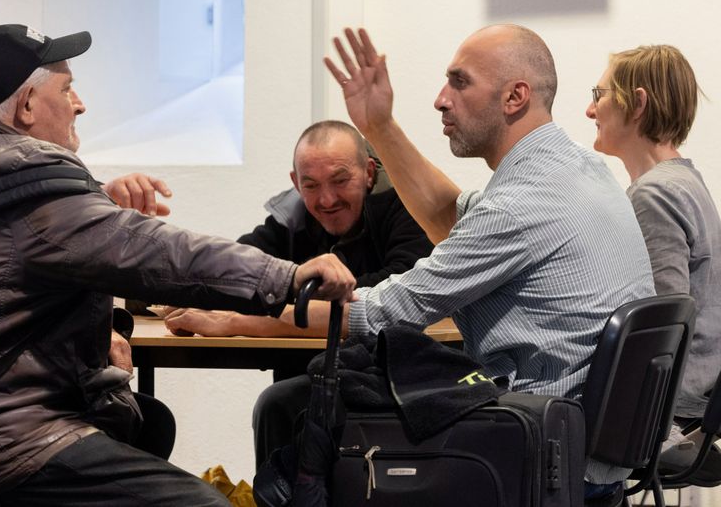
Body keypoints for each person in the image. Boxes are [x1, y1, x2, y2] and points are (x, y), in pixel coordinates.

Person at [0, 24, 355, 506]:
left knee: (150, 423)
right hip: (6, 437)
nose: (79, 103)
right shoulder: (27, 174)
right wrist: (286, 277)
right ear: (26, 106)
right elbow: (159, 252)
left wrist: (97, 204)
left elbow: (4, 264)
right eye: (67, 88)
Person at [251, 25, 657, 496]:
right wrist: (378, 127)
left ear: (514, 97)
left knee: (298, 413)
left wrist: (241, 316)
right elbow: (449, 216)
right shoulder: (578, 169)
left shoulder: (522, 205)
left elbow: (370, 313)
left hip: (539, 453)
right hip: (584, 449)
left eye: (459, 82)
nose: (441, 99)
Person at [585, 44, 721, 457]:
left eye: (599, 95)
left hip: (668, 416)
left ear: (637, 105)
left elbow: (659, 328)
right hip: (690, 402)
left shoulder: (655, 195)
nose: (590, 111)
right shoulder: (684, 182)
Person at [162, 120, 433, 341]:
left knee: (278, 402)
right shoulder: (290, 219)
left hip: (392, 372)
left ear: (369, 173)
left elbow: (401, 288)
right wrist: (179, 291)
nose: (327, 199)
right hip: (306, 366)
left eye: (340, 181)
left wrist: (282, 295)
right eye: (311, 185)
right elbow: (236, 267)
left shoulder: (409, 207)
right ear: (296, 182)